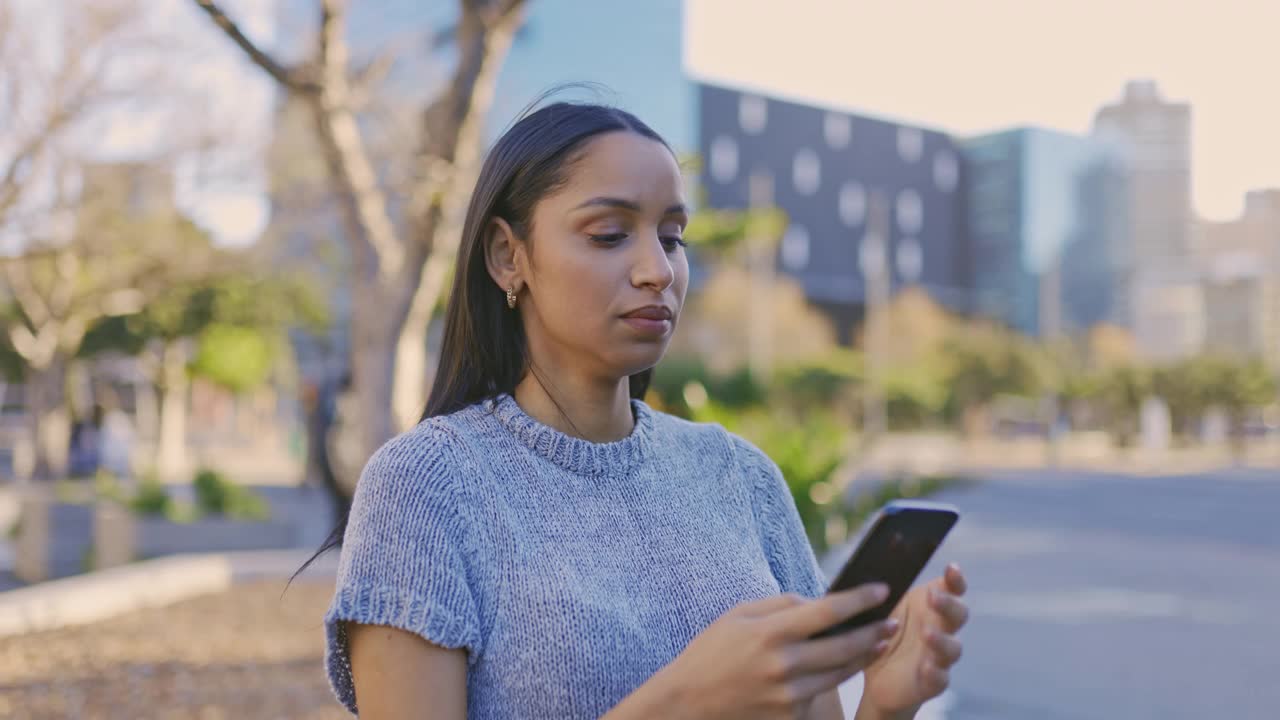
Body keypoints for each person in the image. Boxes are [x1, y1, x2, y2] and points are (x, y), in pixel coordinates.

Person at [311, 101, 969, 719]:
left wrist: (886, 706)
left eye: (673, 236)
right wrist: (684, 700)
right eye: (609, 234)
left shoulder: (740, 476)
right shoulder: (425, 484)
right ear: (508, 256)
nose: (657, 269)